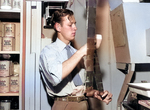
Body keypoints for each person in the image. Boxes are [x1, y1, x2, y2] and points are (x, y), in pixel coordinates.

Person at [39, 9, 112, 110]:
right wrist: (81, 52)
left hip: (83, 103)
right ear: (58, 27)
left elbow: (81, 87)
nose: (75, 28)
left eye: (75, 24)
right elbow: (56, 77)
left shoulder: (74, 52)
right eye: (70, 25)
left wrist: (96, 93)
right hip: (65, 105)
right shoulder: (48, 52)